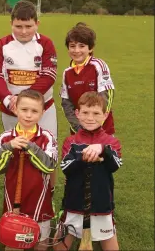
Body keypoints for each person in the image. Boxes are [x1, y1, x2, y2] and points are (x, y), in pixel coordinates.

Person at [0, 89, 57, 251]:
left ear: (42, 113)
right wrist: (8, 147)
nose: (28, 115)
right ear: (15, 110)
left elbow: (49, 166)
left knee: (41, 242)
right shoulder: (5, 138)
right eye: (24, 110)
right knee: (14, 242)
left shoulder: (47, 137)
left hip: (40, 202)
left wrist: (31, 147)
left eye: (34, 111)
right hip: (13, 201)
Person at [54, 91, 122, 251]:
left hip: (101, 204)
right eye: (85, 112)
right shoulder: (71, 142)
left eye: (96, 113)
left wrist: (103, 149)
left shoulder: (111, 142)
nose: (90, 118)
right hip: (74, 203)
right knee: (59, 246)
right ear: (77, 113)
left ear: (105, 115)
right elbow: (66, 168)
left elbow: (115, 165)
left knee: (110, 244)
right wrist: (81, 159)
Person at [0, 0, 58, 139]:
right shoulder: (2, 44)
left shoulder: (45, 43)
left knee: (45, 151)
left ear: (37, 24)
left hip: (43, 108)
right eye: (18, 26)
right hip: (12, 109)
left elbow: (48, 76)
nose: (23, 31)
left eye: (29, 26)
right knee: (15, 152)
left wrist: (22, 99)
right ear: (11, 24)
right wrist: (8, 100)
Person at [60, 22, 115, 135]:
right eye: (72, 46)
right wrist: (77, 126)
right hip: (78, 131)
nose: (76, 50)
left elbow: (107, 96)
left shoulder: (98, 65)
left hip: (102, 129)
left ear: (90, 48)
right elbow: (66, 103)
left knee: (102, 153)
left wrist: (96, 123)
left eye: (82, 46)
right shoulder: (67, 73)